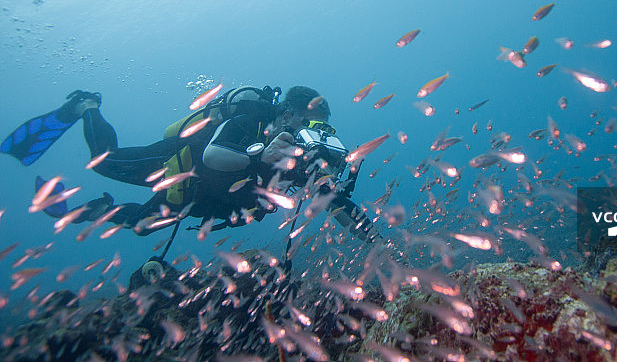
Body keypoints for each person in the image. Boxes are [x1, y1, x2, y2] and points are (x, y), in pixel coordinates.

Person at [2, 85, 379, 243]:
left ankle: (90, 211)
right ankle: (87, 106)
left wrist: (376, 242)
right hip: (180, 163)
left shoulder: (301, 153)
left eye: (316, 126)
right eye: (303, 120)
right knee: (107, 163)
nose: (305, 131)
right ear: (285, 113)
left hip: (201, 197)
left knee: (144, 227)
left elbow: (336, 203)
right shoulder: (252, 119)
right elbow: (215, 154)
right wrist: (259, 156)